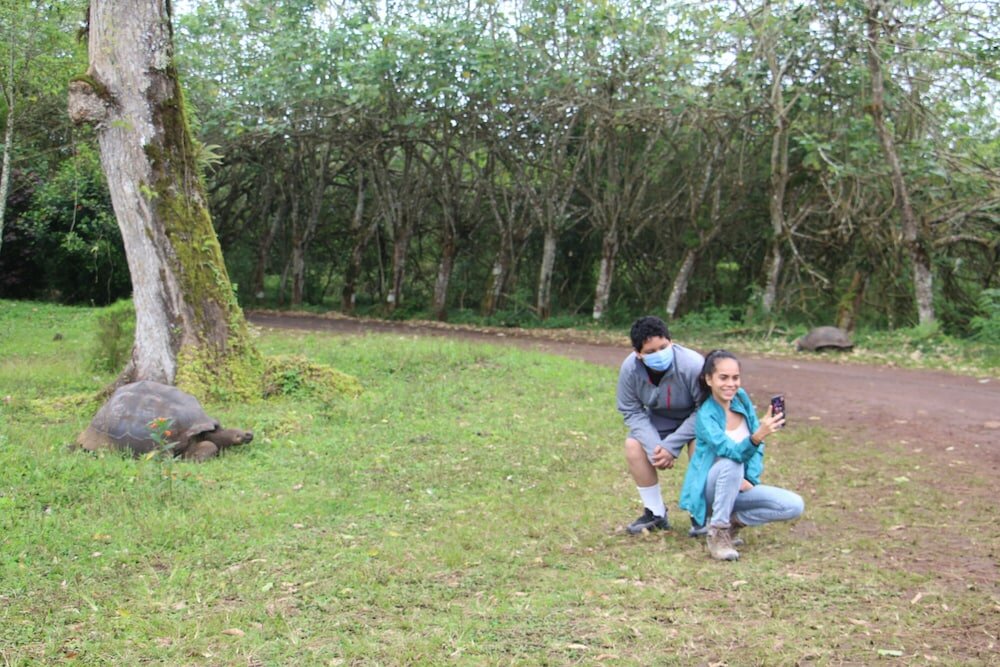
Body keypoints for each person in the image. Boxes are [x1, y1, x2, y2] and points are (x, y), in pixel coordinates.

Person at [679, 349, 804, 560]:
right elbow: (734, 451)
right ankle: (717, 533)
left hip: (738, 487)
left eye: (735, 378)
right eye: (724, 378)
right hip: (711, 491)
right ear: (709, 380)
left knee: (793, 505)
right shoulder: (706, 416)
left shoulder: (741, 399)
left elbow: (757, 449)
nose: (731, 384)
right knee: (732, 462)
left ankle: (733, 522)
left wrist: (749, 479)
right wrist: (757, 436)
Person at [616, 315, 705, 534]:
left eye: (663, 347)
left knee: (702, 444)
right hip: (659, 417)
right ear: (638, 353)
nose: (659, 354)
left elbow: (704, 410)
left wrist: (671, 446)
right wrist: (654, 446)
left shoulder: (693, 365)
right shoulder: (629, 369)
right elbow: (631, 409)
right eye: (650, 352)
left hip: (695, 418)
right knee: (633, 445)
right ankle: (655, 513)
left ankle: (703, 515)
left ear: (671, 342)